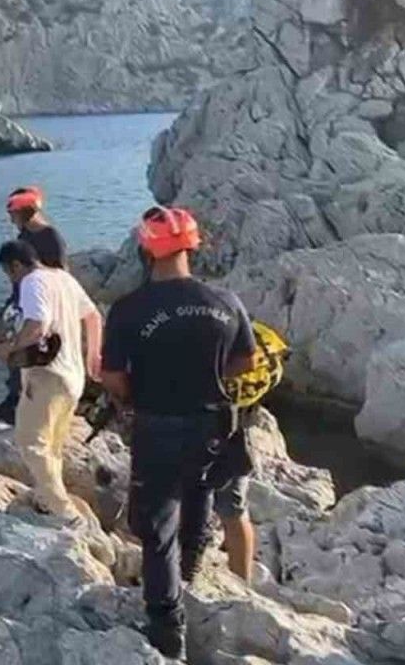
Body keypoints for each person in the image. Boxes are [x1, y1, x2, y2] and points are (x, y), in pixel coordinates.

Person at [100, 206, 257, 659]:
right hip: (213, 426)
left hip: (158, 427)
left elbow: (112, 377)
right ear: (193, 246)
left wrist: (132, 396)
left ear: (146, 249)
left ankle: (168, 629)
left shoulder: (129, 309)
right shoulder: (226, 302)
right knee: (199, 501)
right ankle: (189, 576)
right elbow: (246, 361)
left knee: (157, 529)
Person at [0, 240, 101, 520]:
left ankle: (64, 512)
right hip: (73, 377)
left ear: (16, 266)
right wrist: (93, 357)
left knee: (30, 442)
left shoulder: (32, 282)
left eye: (9, 273)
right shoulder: (63, 278)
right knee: (53, 445)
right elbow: (93, 316)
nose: (11, 281)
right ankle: (46, 496)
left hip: (47, 377)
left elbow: (38, 324)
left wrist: (9, 348)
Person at [0, 186, 69, 423]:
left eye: (13, 214)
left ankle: (25, 406)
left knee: (31, 355)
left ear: (25, 212)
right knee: (14, 353)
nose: (10, 219)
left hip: (41, 306)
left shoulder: (50, 238)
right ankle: (14, 400)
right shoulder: (23, 237)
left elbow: (61, 276)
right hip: (21, 302)